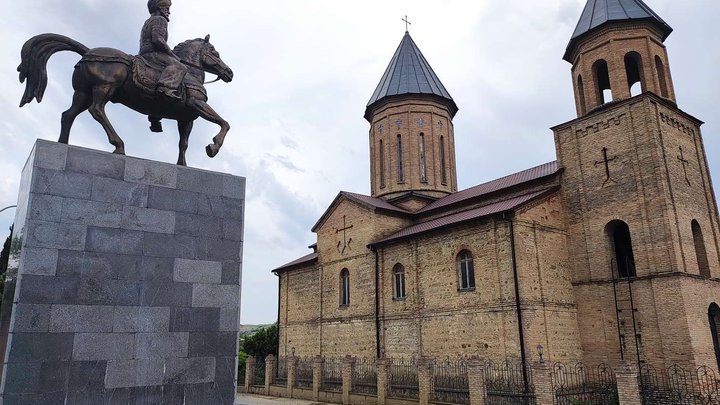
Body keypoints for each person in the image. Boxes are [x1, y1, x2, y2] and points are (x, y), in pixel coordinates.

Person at [140, 0, 187, 132]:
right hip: (153, 53)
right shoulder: (160, 20)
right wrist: (173, 55)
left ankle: (155, 117)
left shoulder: (148, 20)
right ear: (160, 8)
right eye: (167, 8)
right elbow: (158, 40)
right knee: (180, 67)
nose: (169, 11)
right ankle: (164, 90)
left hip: (144, 54)